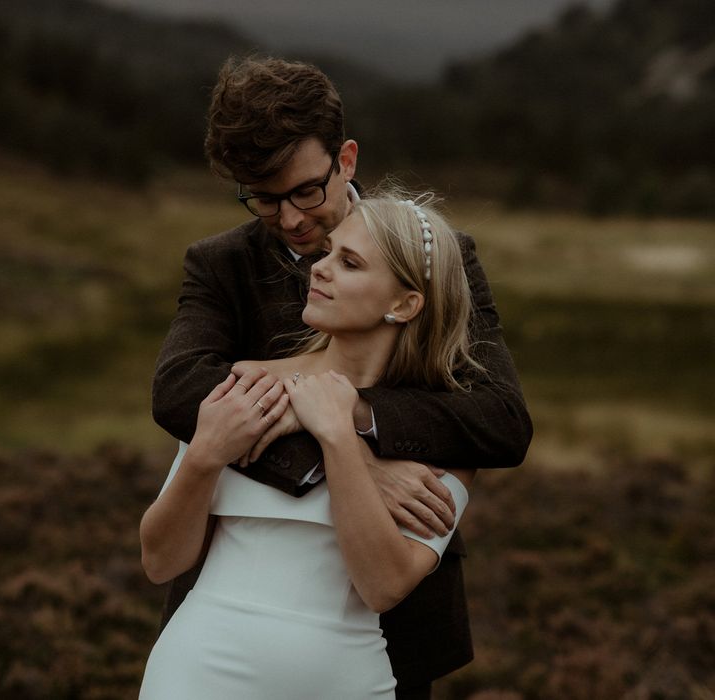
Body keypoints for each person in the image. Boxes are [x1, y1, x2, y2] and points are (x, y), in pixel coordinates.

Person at [151, 56, 532, 699]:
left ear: (345, 159)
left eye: (306, 191)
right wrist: (344, 462)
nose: (293, 220)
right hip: (225, 630)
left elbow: (500, 419)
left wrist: (348, 417)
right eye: (264, 199)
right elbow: (182, 391)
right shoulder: (220, 265)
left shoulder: (440, 255)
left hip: (391, 634)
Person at [140, 191, 485, 699]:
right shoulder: (244, 385)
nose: (319, 270)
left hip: (345, 682)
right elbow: (159, 561)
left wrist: (340, 439)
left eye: (348, 262)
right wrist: (204, 455)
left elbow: (383, 585)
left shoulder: (440, 432)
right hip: (198, 670)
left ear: (404, 304)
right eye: (326, 254)